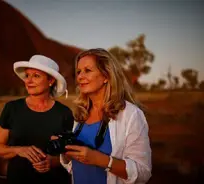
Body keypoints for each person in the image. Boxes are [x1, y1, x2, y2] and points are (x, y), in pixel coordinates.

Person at [60, 48, 152, 184]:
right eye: (78, 71)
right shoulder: (80, 114)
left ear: (106, 76)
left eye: (88, 70)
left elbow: (143, 172)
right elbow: (73, 167)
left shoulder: (130, 114)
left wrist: (99, 159)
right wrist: (65, 152)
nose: (80, 76)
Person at [0, 55, 74, 184]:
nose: (29, 81)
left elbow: (71, 154)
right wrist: (19, 150)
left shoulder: (64, 113)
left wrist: (52, 162)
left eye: (36, 76)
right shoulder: (12, 108)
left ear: (51, 80)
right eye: (27, 76)